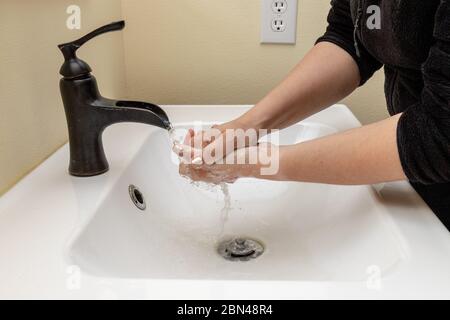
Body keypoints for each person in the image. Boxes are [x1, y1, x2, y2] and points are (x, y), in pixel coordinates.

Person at [176, 0, 450, 227]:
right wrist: (245, 128)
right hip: (421, 175)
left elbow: (439, 134)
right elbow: (349, 37)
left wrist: (257, 163)